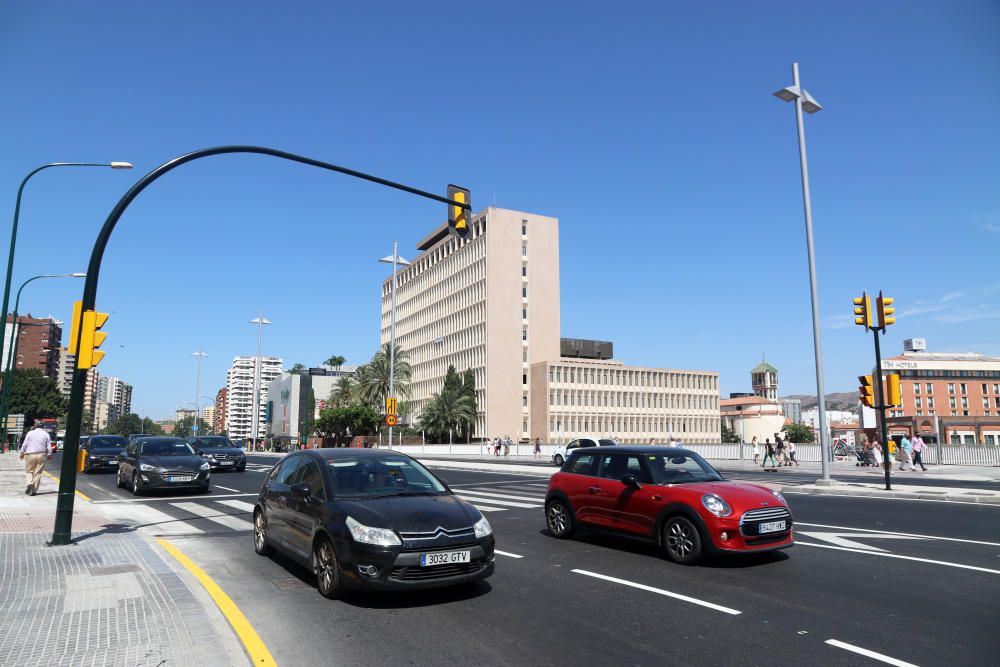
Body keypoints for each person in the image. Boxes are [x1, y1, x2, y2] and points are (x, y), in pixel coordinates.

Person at [19, 420, 52, 496]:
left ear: (35, 426)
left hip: (30, 454)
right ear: (43, 426)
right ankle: (34, 491)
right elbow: (49, 446)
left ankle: (29, 483)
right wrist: (49, 455)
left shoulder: (30, 433)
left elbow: (25, 444)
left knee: (29, 471)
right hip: (42, 455)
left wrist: (22, 452)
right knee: (38, 472)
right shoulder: (46, 434)